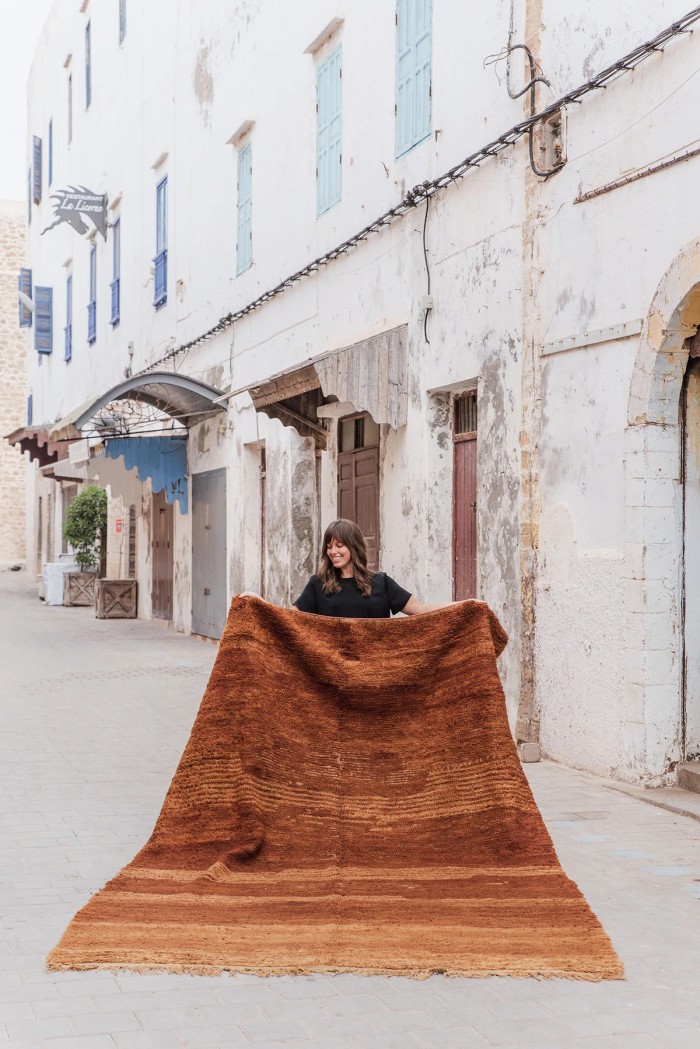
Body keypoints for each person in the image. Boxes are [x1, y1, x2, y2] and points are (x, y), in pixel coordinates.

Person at [293, 518, 452, 619]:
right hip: (331, 670)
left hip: (376, 668)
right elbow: (288, 618)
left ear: (354, 547)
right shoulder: (318, 584)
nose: (332, 552)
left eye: (339, 546)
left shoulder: (381, 583)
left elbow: (421, 609)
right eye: (329, 547)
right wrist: (267, 612)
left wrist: (467, 605)